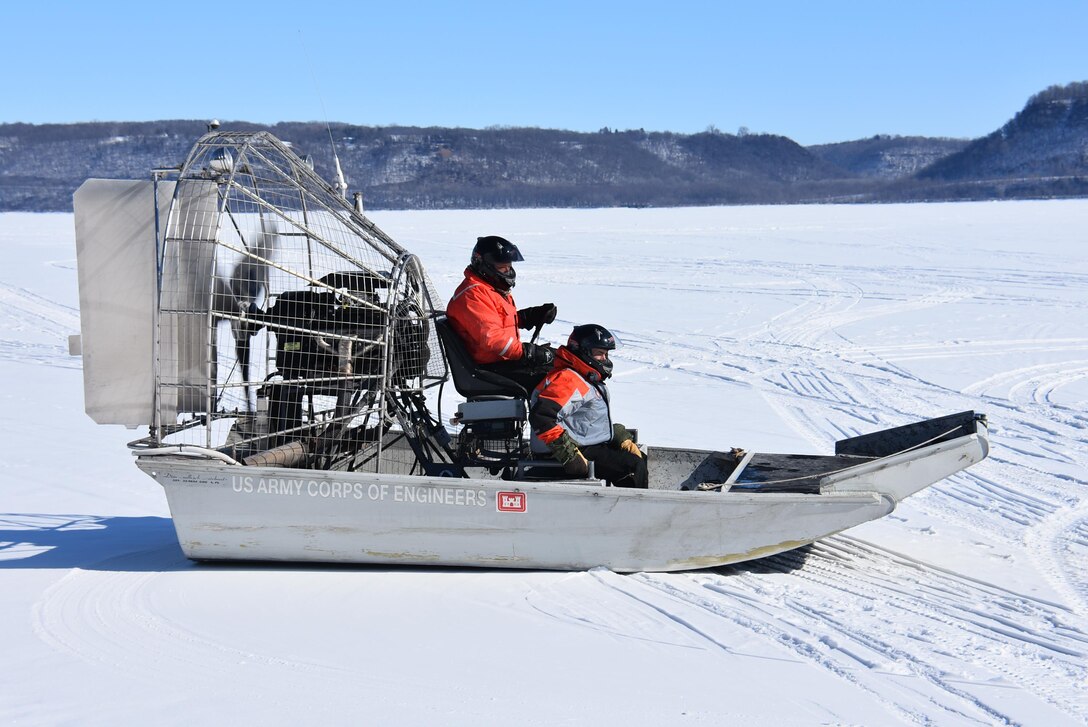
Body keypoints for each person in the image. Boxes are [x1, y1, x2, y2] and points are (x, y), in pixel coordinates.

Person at [528, 324, 648, 488]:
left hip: (583, 444)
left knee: (639, 458)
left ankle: (619, 508)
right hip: (566, 452)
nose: (605, 359)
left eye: (606, 354)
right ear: (583, 351)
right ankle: (636, 511)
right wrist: (568, 454)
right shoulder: (569, 379)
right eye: (600, 354)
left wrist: (616, 435)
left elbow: (583, 420)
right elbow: (542, 416)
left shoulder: (582, 376)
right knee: (633, 467)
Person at [446, 235, 558, 392]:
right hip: (489, 368)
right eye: (502, 268)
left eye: (509, 266)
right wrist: (529, 353)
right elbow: (492, 339)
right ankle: (548, 416)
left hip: (500, 362)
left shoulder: (489, 288)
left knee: (563, 363)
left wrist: (528, 317)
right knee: (558, 379)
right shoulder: (473, 295)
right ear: (483, 265)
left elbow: (494, 322)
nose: (508, 271)